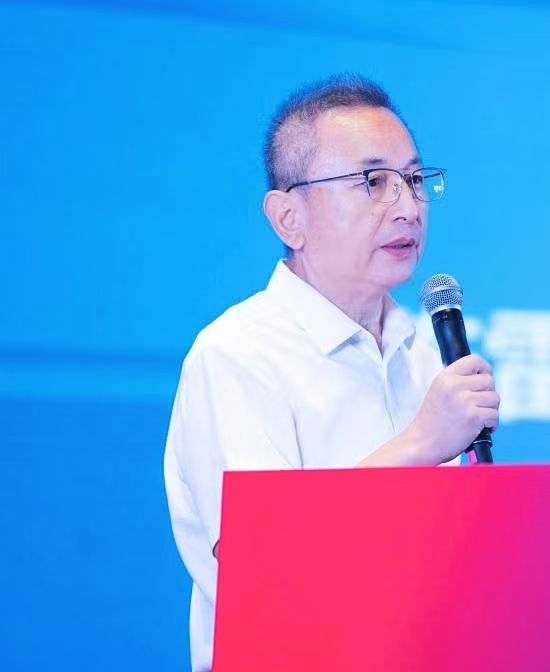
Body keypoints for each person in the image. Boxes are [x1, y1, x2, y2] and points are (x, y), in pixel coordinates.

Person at [163, 73, 499, 672]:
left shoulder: (422, 353)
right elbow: (264, 569)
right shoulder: (237, 354)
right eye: (373, 182)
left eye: (414, 180)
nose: (408, 206)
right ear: (288, 217)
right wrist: (421, 443)